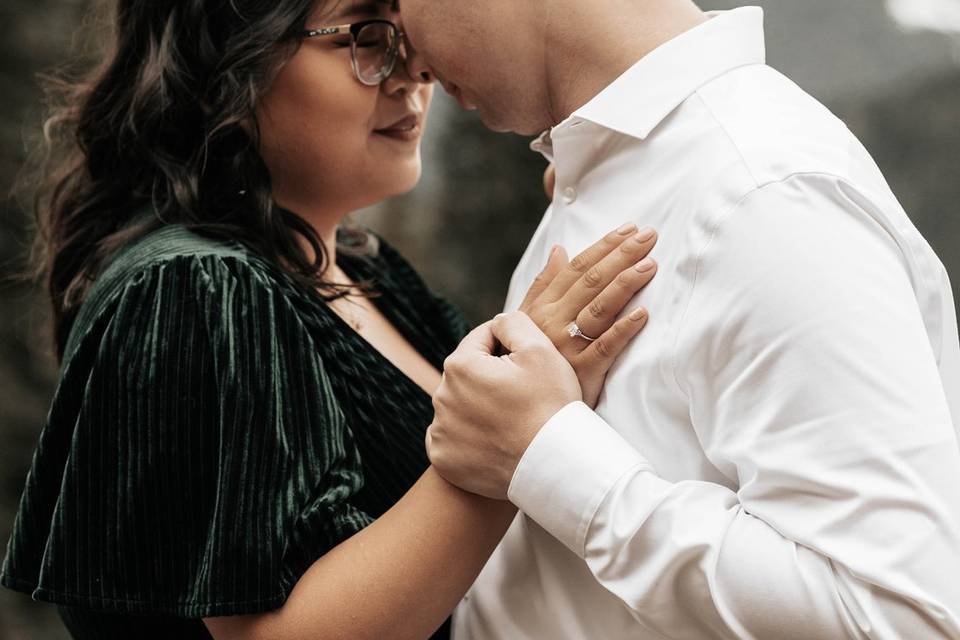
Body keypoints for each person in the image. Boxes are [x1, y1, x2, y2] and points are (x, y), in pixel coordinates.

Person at [0, 0, 661, 638]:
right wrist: (501, 448)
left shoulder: (370, 275)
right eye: (369, 35)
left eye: (409, 34)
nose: (417, 70)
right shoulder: (200, 290)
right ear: (231, 59)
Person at [406, 0, 960, 638]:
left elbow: (898, 616)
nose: (409, 57)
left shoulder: (762, 194)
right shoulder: (631, 171)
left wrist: (550, 458)